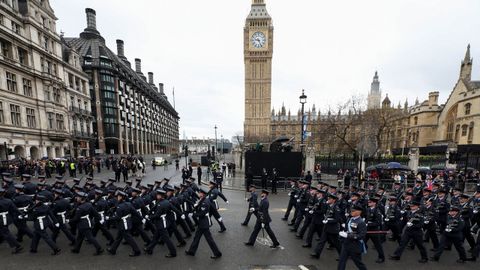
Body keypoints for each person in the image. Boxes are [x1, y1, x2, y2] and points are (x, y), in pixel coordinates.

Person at [185, 188, 222, 259]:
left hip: (204, 224)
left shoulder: (205, 202)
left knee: (209, 240)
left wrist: (193, 215)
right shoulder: (203, 200)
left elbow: (202, 213)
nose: (198, 194)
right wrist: (195, 207)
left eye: (199, 193)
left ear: (202, 194)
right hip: (201, 223)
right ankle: (192, 251)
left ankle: (217, 253)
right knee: (196, 238)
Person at [107, 191, 142, 257]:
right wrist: (141, 218)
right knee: (118, 237)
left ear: (121, 197)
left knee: (129, 238)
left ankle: (137, 251)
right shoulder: (128, 203)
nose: (118, 197)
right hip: (126, 222)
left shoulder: (120, 206)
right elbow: (134, 212)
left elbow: (117, 217)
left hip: (123, 224)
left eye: (119, 196)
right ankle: (113, 249)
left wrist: (108, 218)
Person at [144, 189, 177, 257]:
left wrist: (149, 217)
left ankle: (173, 252)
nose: (156, 195)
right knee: (155, 237)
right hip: (161, 223)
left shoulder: (161, 204)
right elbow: (174, 209)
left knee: (167, 239)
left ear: (161, 196)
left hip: (161, 223)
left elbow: (157, 215)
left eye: (158, 195)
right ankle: (149, 249)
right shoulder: (165, 201)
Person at [337, 205, 367, 270]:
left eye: (353, 211)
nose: (351, 212)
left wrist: (348, 235)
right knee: (341, 261)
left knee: (358, 263)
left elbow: (361, 236)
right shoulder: (349, 219)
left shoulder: (361, 222)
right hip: (346, 244)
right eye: (351, 210)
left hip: (354, 246)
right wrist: (342, 235)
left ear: (359, 212)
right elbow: (346, 230)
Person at [0, 187, 23, 254]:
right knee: (4, 231)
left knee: (6, 233)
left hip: (1, 219)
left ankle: (17, 246)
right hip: (6, 218)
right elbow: (15, 209)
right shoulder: (8, 201)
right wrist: (22, 214)